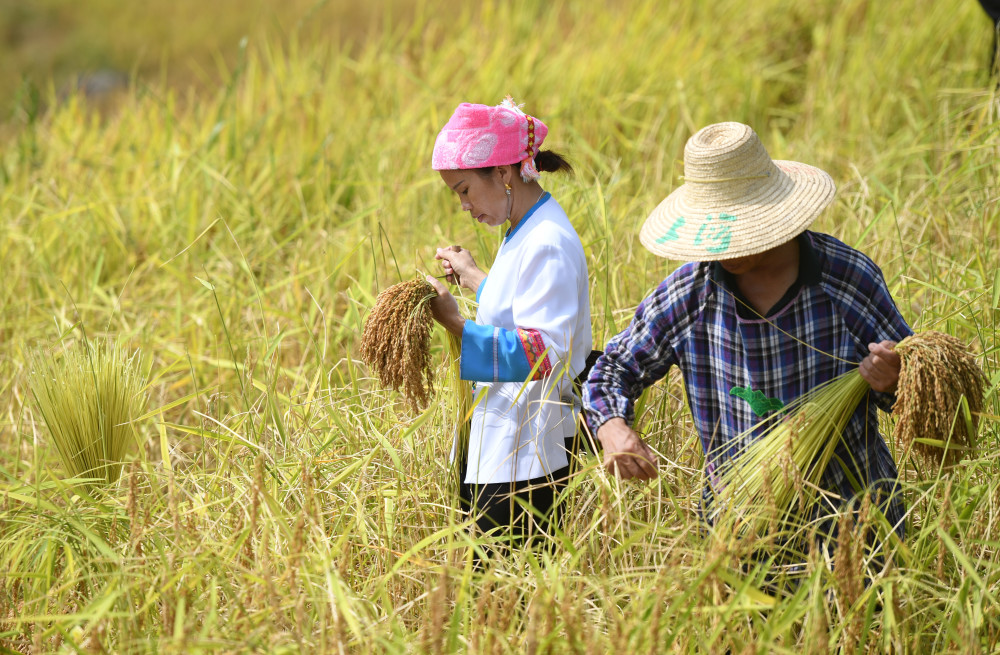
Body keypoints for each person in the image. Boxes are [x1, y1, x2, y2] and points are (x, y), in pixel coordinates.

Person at [583, 122, 911, 545]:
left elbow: (915, 388)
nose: (727, 249)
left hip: (854, 518)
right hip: (742, 525)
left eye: (740, 230)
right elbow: (611, 369)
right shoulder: (690, 296)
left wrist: (893, 380)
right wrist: (612, 426)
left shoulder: (845, 279)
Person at [424, 97, 592, 547]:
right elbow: (520, 308)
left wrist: (455, 323)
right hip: (502, 446)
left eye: (463, 190)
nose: (463, 204)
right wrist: (474, 276)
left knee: (506, 603)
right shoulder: (523, 227)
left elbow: (544, 353)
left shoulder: (547, 242)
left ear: (502, 173)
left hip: (526, 462)